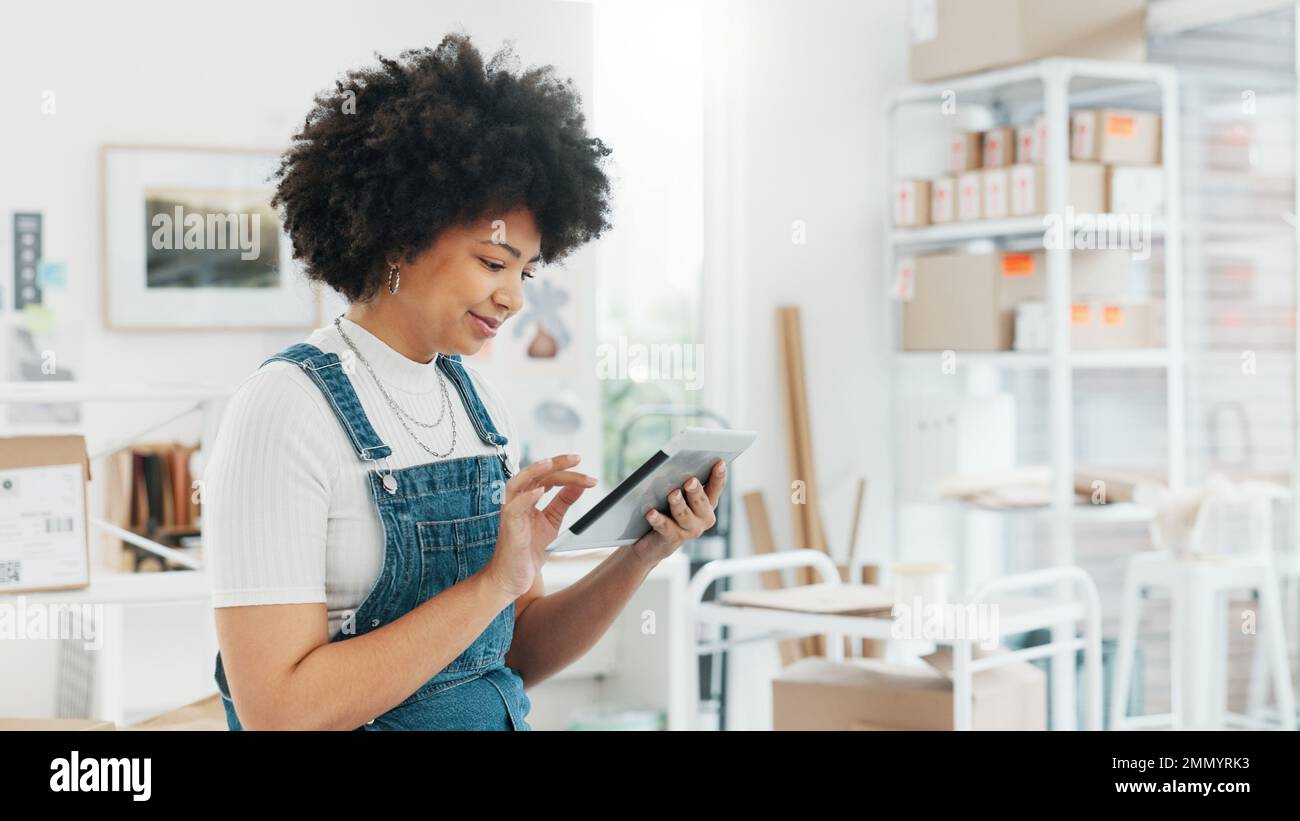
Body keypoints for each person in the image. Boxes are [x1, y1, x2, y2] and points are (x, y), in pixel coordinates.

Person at [205, 34, 726, 730]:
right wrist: (492, 583)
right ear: (399, 234)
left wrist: (643, 551)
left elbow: (513, 651)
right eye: (492, 262)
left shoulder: (477, 405)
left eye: (527, 272)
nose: (513, 297)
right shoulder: (283, 411)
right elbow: (280, 711)